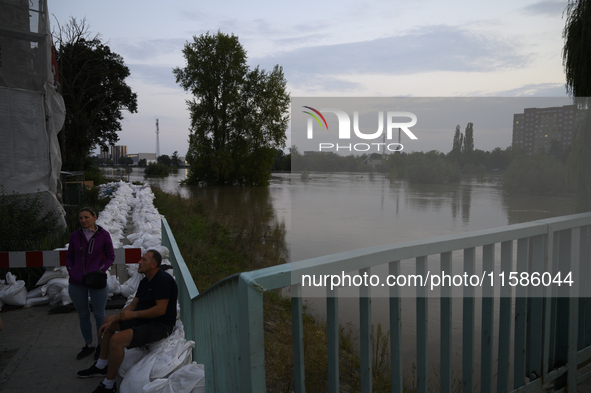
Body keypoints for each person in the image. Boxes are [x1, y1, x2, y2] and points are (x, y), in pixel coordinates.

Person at [78, 249, 178, 393]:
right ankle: (101, 366)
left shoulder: (162, 281)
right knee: (107, 321)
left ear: (153, 265)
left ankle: (109, 385)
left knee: (117, 340)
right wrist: (112, 321)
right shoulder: (145, 281)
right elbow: (132, 305)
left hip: (160, 325)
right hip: (144, 319)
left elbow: (160, 310)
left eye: (144, 260)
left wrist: (134, 315)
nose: (139, 262)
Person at [66, 207, 115, 360]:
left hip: (97, 280)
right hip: (77, 282)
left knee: (100, 314)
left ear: (94, 217)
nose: (83, 221)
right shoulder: (75, 235)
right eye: (81, 218)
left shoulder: (104, 235)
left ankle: (101, 346)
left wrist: (101, 270)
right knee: (83, 315)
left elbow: (110, 256)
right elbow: (69, 256)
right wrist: (72, 271)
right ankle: (89, 345)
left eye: (86, 217)